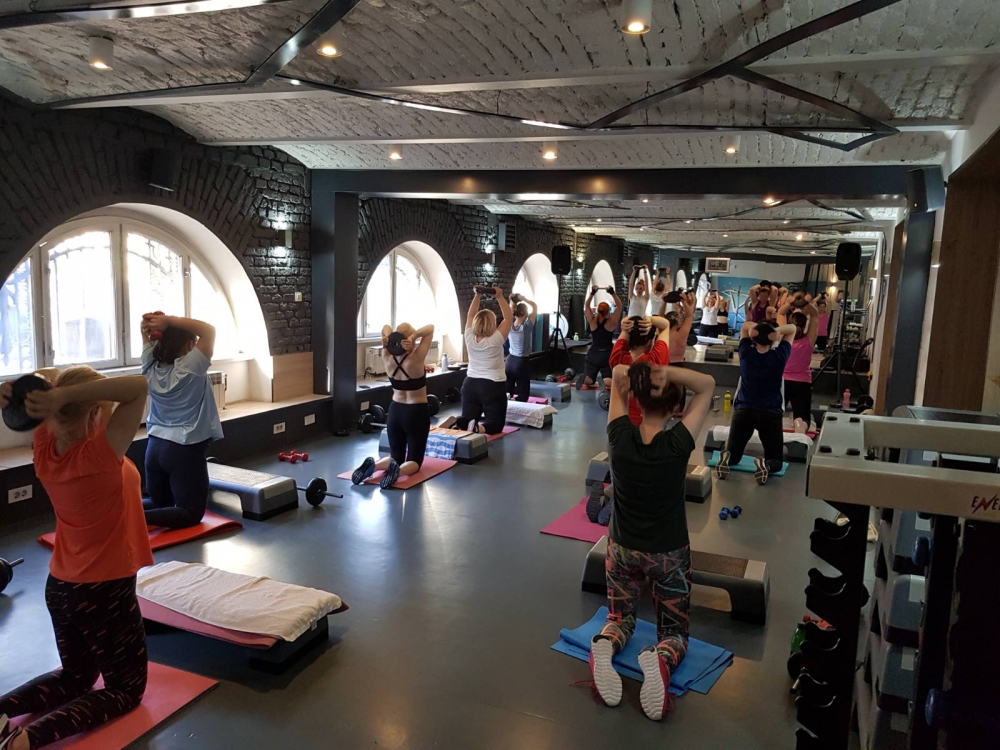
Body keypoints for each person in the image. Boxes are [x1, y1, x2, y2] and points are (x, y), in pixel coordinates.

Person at [0, 369, 153, 750]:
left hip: (60, 588)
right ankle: (25, 741)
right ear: (95, 414)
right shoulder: (101, 455)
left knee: (76, 678)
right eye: (106, 409)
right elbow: (138, 387)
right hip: (104, 593)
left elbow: (51, 387)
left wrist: (25, 394)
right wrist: (60, 396)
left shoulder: (45, 450)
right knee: (126, 689)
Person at [587, 361, 715, 721]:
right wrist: (667, 373)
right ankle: (660, 658)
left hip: (621, 549)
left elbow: (618, 373)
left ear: (637, 401)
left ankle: (605, 644)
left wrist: (642, 377)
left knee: (619, 618)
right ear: (676, 409)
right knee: (674, 633)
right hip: (668, 555)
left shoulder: (619, 437)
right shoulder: (677, 444)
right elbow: (707, 384)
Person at [140, 314, 223, 529]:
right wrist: (167, 320)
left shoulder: (149, 366)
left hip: (154, 448)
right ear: (189, 343)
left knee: (159, 503)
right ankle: (133, 520)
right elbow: (209, 330)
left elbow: (146, 337)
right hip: (183, 449)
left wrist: (148, 328)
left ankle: (118, 513)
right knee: (190, 513)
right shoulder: (191, 366)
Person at [352, 322, 435, 489]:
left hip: (395, 411)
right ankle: (398, 472)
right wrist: (414, 336)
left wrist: (387, 339)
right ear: (408, 341)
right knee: (414, 461)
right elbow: (430, 328)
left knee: (395, 456)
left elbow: (385, 327)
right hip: (416, 412)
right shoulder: (416, 359)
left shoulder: (386, 357)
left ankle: (374, 466)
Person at [716, 319, 796, 485]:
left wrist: (757, 331)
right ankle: (766, 465)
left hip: (744, 410)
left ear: (754, 337)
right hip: (770, 413)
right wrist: (775, 332)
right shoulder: (779, 356)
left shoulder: (745, 354)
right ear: (772, 338)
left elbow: (745, 327)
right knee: (776, 460)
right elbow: (792, 329)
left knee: (734, 455)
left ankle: (727, 458)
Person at [449, 286, 513, 435]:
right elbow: (509, 318)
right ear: (492, 323)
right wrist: (499, 297)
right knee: (496, 425)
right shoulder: (496, 339)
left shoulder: (469, 336)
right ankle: (477, 428)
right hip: (492, 386)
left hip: (470, 384)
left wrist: (477, 295)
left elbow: (470, 315)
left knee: (467, 420)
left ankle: (457, 423)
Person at [609, 315, 670, 425]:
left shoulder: (617, 359)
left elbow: (625, 331)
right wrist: (651, 319)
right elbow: (666, 325)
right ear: (650, 341)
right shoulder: (656, 360)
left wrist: (625, 322)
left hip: (621, 422)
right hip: (648, 424)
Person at [778, 295, 819, 433]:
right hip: (802, 382)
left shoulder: (784, 338)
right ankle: (799, 423)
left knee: (775, 413)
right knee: (803, 416)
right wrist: (806, 303)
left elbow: (780, 313)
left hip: (782, 381)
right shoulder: (809, 340)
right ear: (804, 324)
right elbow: (815, 315)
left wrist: (790, 302)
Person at [579, 285, 622, 389]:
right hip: (607, 354)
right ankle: (604, 380)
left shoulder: (592, 321)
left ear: (598, 310)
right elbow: (620, 306)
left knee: (588, 381)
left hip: (593, 354)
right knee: (609, 382)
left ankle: (589, 379)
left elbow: (586, 305)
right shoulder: (611, 322)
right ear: (608, 312)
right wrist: (612, 293)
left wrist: (592, 293)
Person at [504, 293, 537, 402]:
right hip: (521, 362)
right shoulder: (526, 327)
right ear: (524, 313)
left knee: (508, 392)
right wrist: (524, 299)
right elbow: (535, 306)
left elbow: (510, 311)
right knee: (523, 394)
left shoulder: (509, 324)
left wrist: (512, 301)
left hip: (509, 362)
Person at [667, 291, 696, 366]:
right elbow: (674, 303)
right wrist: (680, 298)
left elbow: (690, 312)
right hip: (678, 328)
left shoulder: (691, 308)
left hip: (685, 328)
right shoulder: (679, 309)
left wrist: (688, 298)